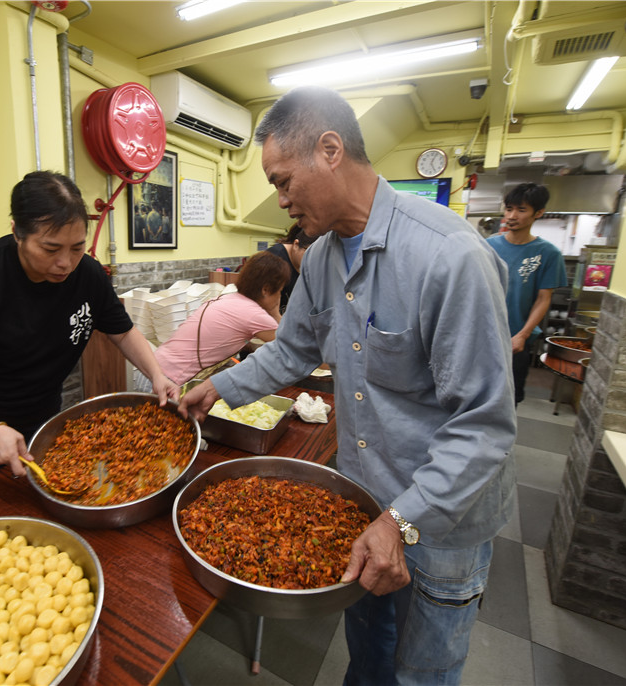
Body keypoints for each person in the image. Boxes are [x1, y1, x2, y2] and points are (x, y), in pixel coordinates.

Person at [179, 86, 517, 685]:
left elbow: (484, 425)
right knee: (368, 656)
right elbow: (292, 350)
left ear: (330, 150)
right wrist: (221, 388)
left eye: (284, 181)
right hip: (366, 503)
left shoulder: (449, 256)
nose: (280, 200)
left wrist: (400, 522)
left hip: (439, 521)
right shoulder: (324, 258)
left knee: (421, 672)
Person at [0, 171, 177, 491]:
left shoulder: (88, 274)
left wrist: (156, 374)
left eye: (77, 248)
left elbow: (121, 331)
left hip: (42, 426)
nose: (65, 263)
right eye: (50, 249)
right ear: (17, 233)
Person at [134, 250, 288, 391]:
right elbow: (288, 345)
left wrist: (249, 346)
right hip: (168, 382)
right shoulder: (254, 314)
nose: (279, 296)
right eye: (279, 291)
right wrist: (275, 312)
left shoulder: (228, 298)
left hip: (151, 371)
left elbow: (223, 338)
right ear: (266, 290)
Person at [487, 183, 568, 405]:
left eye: (521, 210)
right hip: (484, 335)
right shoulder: (488, 246)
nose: (512, 216)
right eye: (509, 209)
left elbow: (544, 298)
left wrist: (523, 335)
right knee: (476, 394)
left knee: (508, 399)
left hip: (515, 339)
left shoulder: (548, 253)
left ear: (538, 213)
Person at [267, 223, 318, 313]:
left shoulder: (302, 263)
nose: (313, 261)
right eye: (309, 254)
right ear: (296, 244)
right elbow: (267, 309)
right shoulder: (274, 261)